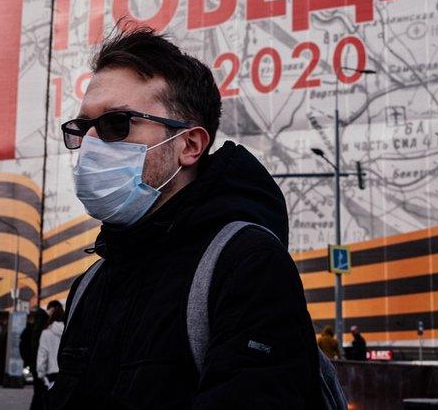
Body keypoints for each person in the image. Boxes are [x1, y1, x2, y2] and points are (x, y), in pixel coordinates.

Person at [50, 27, 323, 408]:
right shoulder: (92, 282)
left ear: (189, 145)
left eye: (116, 124)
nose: (91, 144)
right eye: (83, 128)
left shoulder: (245, 264)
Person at [37, 301, 65, 407]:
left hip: (51, 375)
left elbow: (43, 354)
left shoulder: (46, 333)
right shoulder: (68, 332)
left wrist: (40, 373)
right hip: (65, 373)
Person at [23, 308, 48, 410]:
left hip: (34, 365)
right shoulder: (44, 331)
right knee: (41, 392)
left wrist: (28, 361)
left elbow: (23, 347)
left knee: (38, 391)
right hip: (42, 366)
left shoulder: (30, 330)